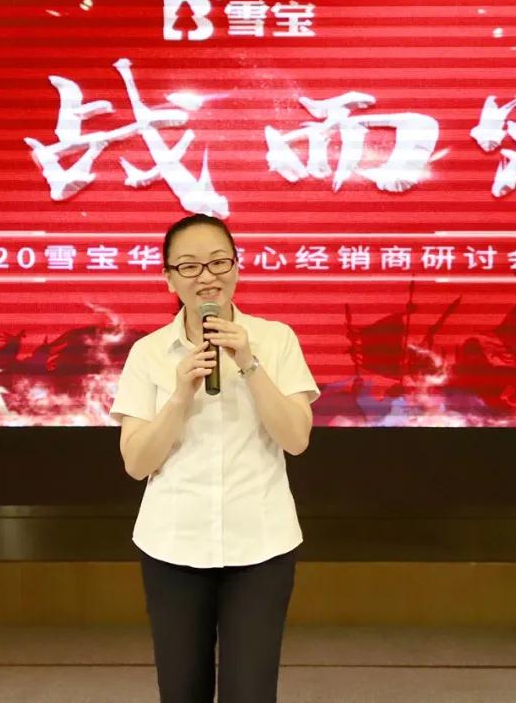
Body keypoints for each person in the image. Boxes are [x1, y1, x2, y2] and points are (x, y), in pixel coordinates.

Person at [109, 213, 319, 703]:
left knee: (252, 692)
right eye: (189, 266)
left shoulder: (275, 340)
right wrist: (180, 395)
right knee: (182, 691)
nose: (207, 276)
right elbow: (137, 463)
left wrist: (249, 363)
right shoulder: (148, 353)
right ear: (169, 279)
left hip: (261, 546)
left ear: (237, 267)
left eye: (219, 262)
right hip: (173, 545)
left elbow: (296, 439)